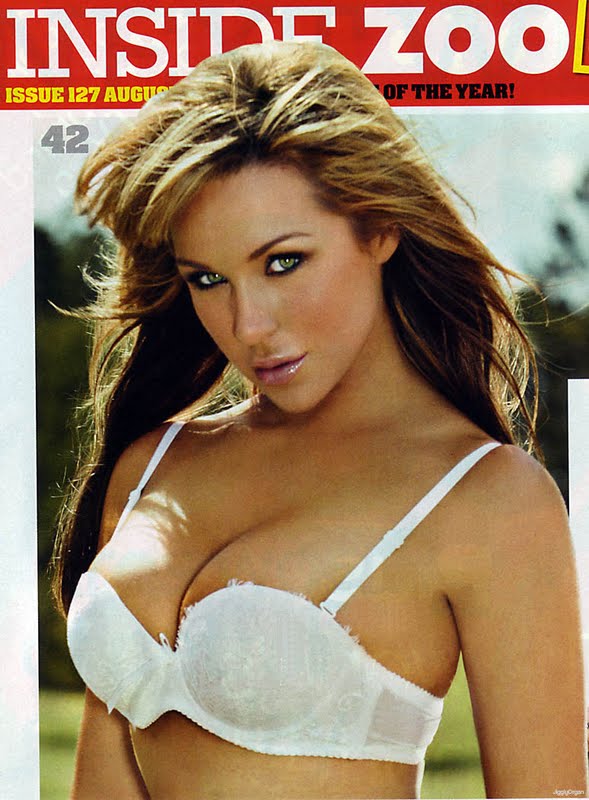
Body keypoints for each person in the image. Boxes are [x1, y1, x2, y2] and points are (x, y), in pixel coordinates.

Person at [53, 40, 587, 799]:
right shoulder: (154, 464)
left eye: (283, 262)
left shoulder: (486, 496)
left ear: (379, 229)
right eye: (207, 279)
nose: (248, 325)